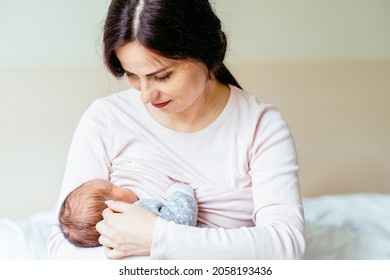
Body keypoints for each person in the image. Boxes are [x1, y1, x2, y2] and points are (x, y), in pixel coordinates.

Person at [48, 0, 305, 260]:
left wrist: (158, 238)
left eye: (162, 76)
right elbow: (63, 248)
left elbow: (284, 245)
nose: (146, 95)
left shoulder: (260, 127)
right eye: (132, 75)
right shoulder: (106, 119)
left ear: (204, 53)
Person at [59, 178, 198, 248]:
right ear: (114, 208)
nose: (121, 185)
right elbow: (181, 221)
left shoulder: (115, 245)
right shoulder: (140, 211)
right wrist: (180, 192)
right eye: (113, 187)